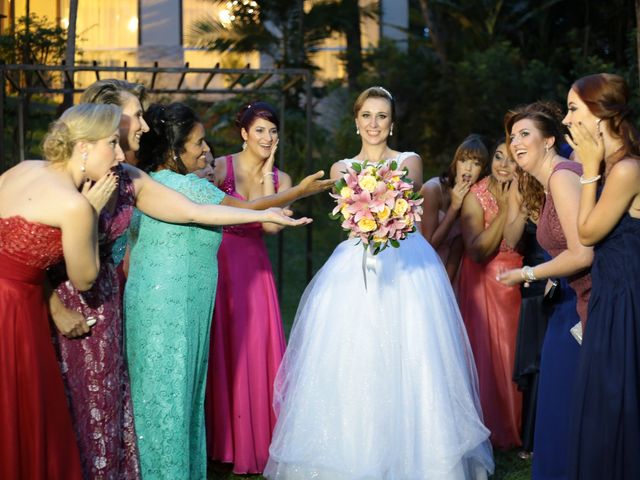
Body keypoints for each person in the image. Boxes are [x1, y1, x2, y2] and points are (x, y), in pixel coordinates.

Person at [46, 80, 334, 480]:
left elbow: (197, 212)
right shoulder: (74, 180)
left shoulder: (136, 178)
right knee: (108, 408)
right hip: (113, 307)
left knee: (139, 406)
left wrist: (263, 214)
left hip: (128, 304)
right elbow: (48, 255)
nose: (143, 125)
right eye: (136, 115)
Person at [264, 86, 494, 479]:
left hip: (408, 264)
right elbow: (354, 204)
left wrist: (376, 197)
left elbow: (404, 188)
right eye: (367, 115)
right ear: (356, 122)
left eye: (382, 116)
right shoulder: (340, 168)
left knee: (415, 353)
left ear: (392, 122)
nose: (374, 124)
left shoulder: (410, 160)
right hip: (356, 266)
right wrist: (372, 198)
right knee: (356, 355)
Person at [123, 102, 315, 480]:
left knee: (162, 394)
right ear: (175, 148)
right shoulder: (187, 187)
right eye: (198, 141)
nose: (205, 148)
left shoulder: (147, 181)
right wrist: (267, 212)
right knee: (174, 396)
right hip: (172, 308)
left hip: (160, 301)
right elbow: (229, 209)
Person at [0, 103, 121, 480]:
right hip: (14, 310)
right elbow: (85, 280)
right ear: (83, 145)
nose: (119, 155)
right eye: (113, 143)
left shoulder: (22, 169)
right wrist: (92, 211)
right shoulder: (74, 206)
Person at [498, 105, 593, 480]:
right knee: (556, 406)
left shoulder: (562, 177)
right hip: (566, 299)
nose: (516, 142)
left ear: (549, 139)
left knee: (566, 405)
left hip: (584, 307)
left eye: (525, 134)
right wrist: (554, 277)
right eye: (513, 135)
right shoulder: (546, 181)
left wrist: (529, 271)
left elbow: (582, 252)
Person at [205, 102, 291, 474]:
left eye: (272, 131)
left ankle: (256, 440)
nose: (267, 138)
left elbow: (271, 227)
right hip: (221, 264)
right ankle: (221, 441)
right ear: (244, 133)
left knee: (255, 346)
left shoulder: (283, 180)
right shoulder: (221, 167)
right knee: (225, 348)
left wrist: (269, 172)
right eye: (259, 131)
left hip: (255, 270)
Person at [561, 73, 640, 480]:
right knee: (602, 404)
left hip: (628, 300)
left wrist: (589, 167)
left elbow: (587, 234)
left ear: (599, 114)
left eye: (573, 108)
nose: (565, 119)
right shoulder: (611, 165)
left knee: (618, 403)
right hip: (609, 293)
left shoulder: (626, 168)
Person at [457, 142, 522, 449]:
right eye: (498, 157)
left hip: (517, 279)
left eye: (512, 160)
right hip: (483, 281)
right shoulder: (476, 196)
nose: (503, 165)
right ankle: (491, 429)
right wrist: (508, 206)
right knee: (489, 354)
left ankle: (521, 426)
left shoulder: (528, 188)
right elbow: (478, 250)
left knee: (515, 354)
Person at [420, 134, 488, 282]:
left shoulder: (473, 199)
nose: (468, 168)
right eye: (463, 161)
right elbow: (428, 246)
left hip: (446, 272)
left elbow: (457, 249)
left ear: (482, 171)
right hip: (420, 267)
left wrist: (447, 286)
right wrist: (454, 207)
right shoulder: (433, 190)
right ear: (455, 163)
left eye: (476, 163)